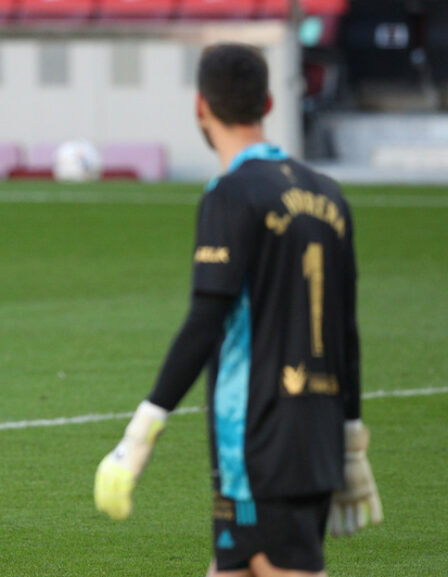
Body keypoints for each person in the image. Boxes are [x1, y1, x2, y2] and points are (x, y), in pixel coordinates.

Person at [92, 43, 382, 577]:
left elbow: (207, 319)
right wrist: (351, 438)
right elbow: (347, 332)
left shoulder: (231, 193)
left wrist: (140, 434)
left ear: (201, 106)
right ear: (269, 102)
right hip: (312, 432)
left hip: (261, 439)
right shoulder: (329, 195)